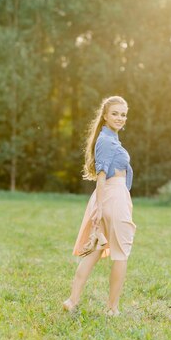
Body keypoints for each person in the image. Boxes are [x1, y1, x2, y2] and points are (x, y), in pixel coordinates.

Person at [62, 95, 136, 316]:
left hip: (110, 196)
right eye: (115, 113)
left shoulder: (110, 138)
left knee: (94, 251)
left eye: (123, 114)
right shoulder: (106, 140)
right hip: (112, 196)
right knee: (121, 253)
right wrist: (101, 208)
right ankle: (112, 308)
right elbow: (101, 176)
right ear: (104, 116)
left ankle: (73, 300)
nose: (120, 118)